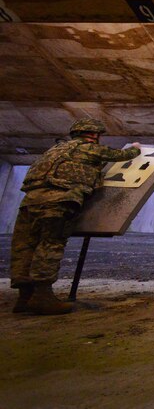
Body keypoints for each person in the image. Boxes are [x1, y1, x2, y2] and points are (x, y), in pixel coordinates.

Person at [10, 118, 141, 315]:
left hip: (30, 202)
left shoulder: (54, 151)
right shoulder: (89, 148)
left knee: (25, 246)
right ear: (94, 134)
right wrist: (135, 148)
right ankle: (42, 296)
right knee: (50, 244)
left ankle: (24, 297)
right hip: (58, 202)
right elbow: (123, 155)